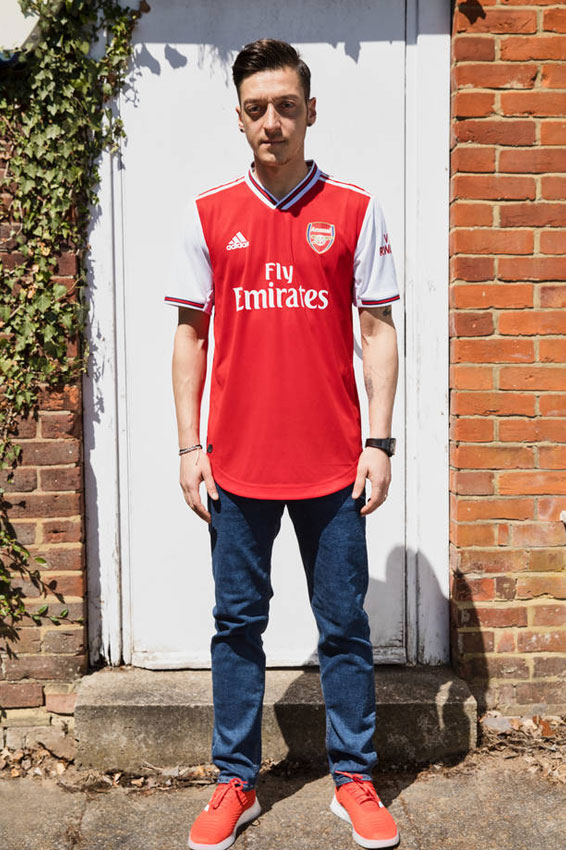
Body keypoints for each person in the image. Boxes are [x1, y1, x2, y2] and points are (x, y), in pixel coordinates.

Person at [166, 38, 401, 850]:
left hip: (334, 466)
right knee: (236, 626)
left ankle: (354, 779)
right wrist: (189, 448)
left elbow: (377, 328)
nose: (273, 121)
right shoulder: (209, 214)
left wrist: (380, 441)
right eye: (257, 108)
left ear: (311, 111)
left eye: (286, 106)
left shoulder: (356, 210)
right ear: (239, 118)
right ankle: (236, 782)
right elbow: (191, 336)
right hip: (236, 467)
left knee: (344, 627)